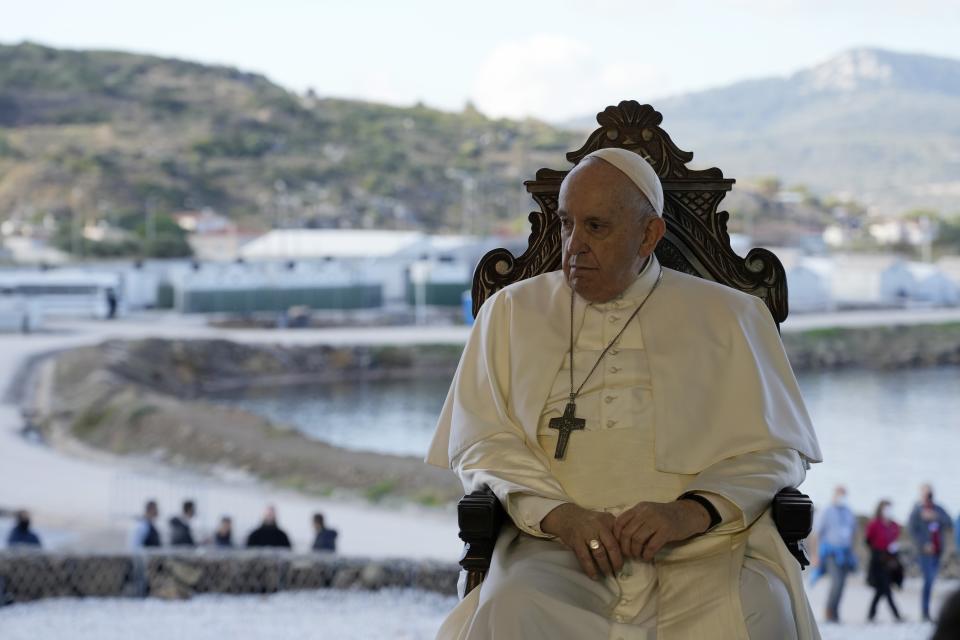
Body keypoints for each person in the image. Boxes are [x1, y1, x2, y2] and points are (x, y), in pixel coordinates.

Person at [427, 147, 822, 639]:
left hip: (705, 549)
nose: (573, 247)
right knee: (512, 608)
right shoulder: (509, 313)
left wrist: (692, 511)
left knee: (759, 611)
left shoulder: (731, 316)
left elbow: (777, 451)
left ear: (649, 234)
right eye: (567, 224)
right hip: (555, 549)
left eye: (596, 227)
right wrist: (558, 516)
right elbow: (481, 441)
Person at [812, 486, 857, 622]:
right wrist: (815, 555)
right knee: (836, 582)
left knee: (842, 583)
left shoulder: (848, 511)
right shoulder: (826, 511)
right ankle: (829, 611)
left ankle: (836, 612)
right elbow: (816, 534)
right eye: (839, 494)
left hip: (845, 553)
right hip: (830, 553)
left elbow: (854, 532)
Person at [908, 483, 952, 622]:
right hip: (924, 553)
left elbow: (949, 522)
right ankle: (925, 612)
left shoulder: (938, 509)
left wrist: (936, 516)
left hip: (937, 551)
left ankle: (928, 611)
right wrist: (923, 545)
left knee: (932, 580)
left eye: (930, 492)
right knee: (928, 580)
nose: (928, 496)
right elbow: (912, 531)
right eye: (925, 493)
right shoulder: (916, 510)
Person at [865, 499, 902, 622]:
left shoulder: (894, 525)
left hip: (890, 559)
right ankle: (896, 614)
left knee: (882, 589)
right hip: (878, 559)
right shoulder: (874, 524)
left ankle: (871, 614)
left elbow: (895, 540)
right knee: (885, 588)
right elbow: (868, 540)